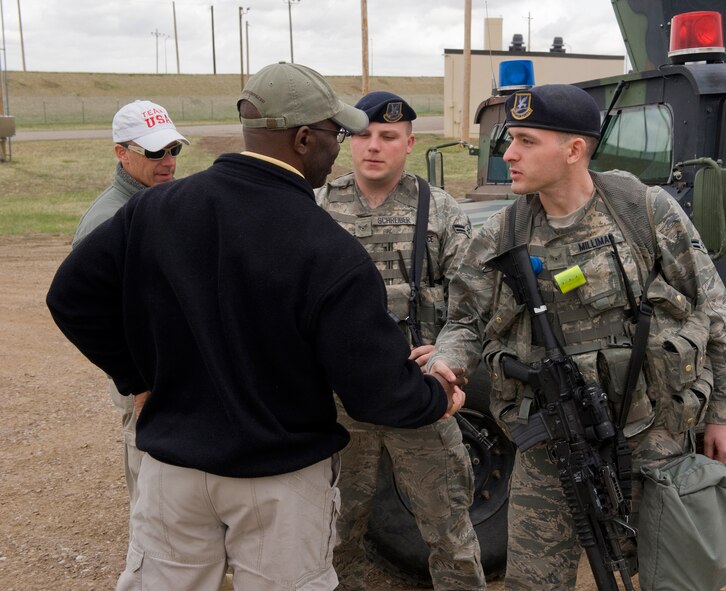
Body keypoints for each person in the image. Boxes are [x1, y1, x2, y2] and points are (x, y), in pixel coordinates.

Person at [46, 62, 465, 591]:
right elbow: (374, 391)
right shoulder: (327, 248)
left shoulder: (156, 209)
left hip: (173, 470)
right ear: (304, 138)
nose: (340, 147)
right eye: (336, 134)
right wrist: (433, 396)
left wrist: (139, 378)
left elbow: (71, 297)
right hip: (279, 483)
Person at [425, 84, 726, 590]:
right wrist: (448, 362)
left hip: (650, 434)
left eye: (527, 141)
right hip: (550, 439)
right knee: (534, 582)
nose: (508, 153)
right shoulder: (500, 233)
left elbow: (715, 312)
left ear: (574, 150)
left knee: (672, 574)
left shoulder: (644, 212)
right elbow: (464, 321)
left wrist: (724, 414)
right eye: (510, 139)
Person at [316, 91, 485, 590]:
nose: (374, 146)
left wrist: (448, 355)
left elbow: (472, 301)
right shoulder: (319, 206)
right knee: (333, 531)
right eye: (363, 135)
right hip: (339, 400)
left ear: (409, 143)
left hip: (417, 392)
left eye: (388, 137)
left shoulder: (440, 212)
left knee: (449, 530)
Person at [71, 99, 190, 517]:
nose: (169, 161)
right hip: (146, 381)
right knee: (153, 494)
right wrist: (137, 382)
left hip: (180, 370)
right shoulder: (106, 222)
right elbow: (89, 315)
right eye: (155, 152)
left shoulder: (169, 199)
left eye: (174, 149)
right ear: (121, 153)